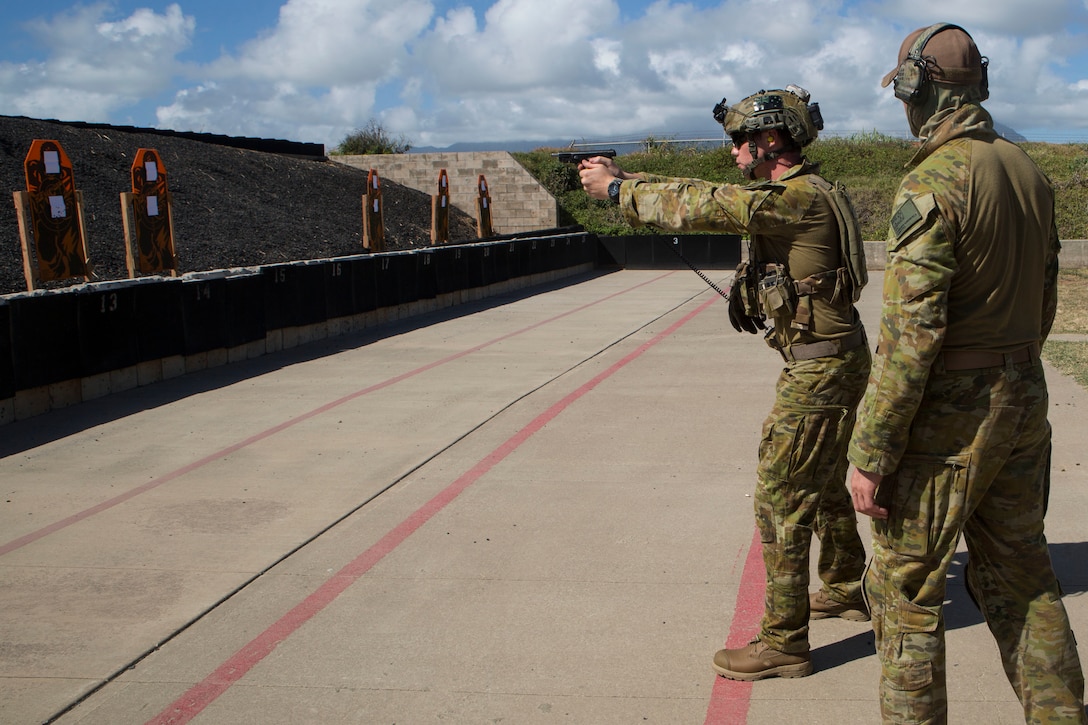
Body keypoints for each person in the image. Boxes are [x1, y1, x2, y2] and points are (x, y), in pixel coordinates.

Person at [581, 85, 871, 681]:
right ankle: (844, 584)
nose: (733, 151)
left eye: (740, 140)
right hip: (830, 359)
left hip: (819, 367)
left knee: (780, 496)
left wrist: (616, 189)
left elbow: (708, 204)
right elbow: (718, 194)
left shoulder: (794, 199)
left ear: (770, 140)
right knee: (817, 481)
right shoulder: (809, 190)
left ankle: (784, 642)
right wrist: (629, 175)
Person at [848, 23, 1087, 723]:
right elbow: (1042, 302)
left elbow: (910, 337)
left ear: (919, 89)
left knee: (905, 593)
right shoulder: (1028, 172)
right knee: (1024, 576)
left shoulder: (932, 181)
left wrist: (871, 452)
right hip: (1022, 395)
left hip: (951, 415)